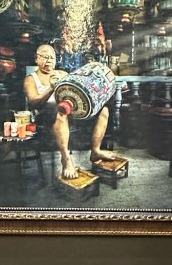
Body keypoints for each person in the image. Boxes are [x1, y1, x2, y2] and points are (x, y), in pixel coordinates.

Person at [23, 44, 113, 180]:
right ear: (36, 58)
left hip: (71, 114)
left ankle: (95, 151)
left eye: (52, 58)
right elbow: (33, 103)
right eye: (45, 57)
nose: (49, 60)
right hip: (46, 118)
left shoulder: (62, 74)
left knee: (103, 110)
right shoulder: (31, 79)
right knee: (62, 110)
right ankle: (66, 160)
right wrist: (51, 88)